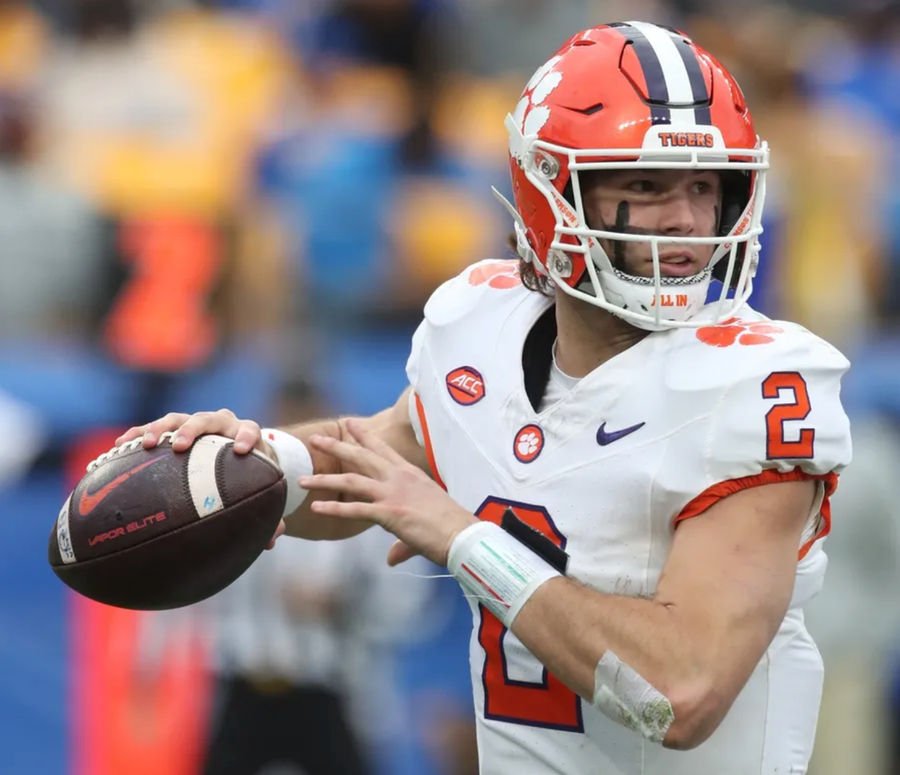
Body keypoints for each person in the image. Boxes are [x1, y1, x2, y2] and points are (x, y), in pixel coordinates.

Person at [115, 21, 852, 774]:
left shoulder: (755, 384)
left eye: (705, 185)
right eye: (645, 183)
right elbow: (372, 467)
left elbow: (681, 688)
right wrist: (238, 460)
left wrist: (462, 537)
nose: (688, 220)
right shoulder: (482, 326)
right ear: (550, 191)